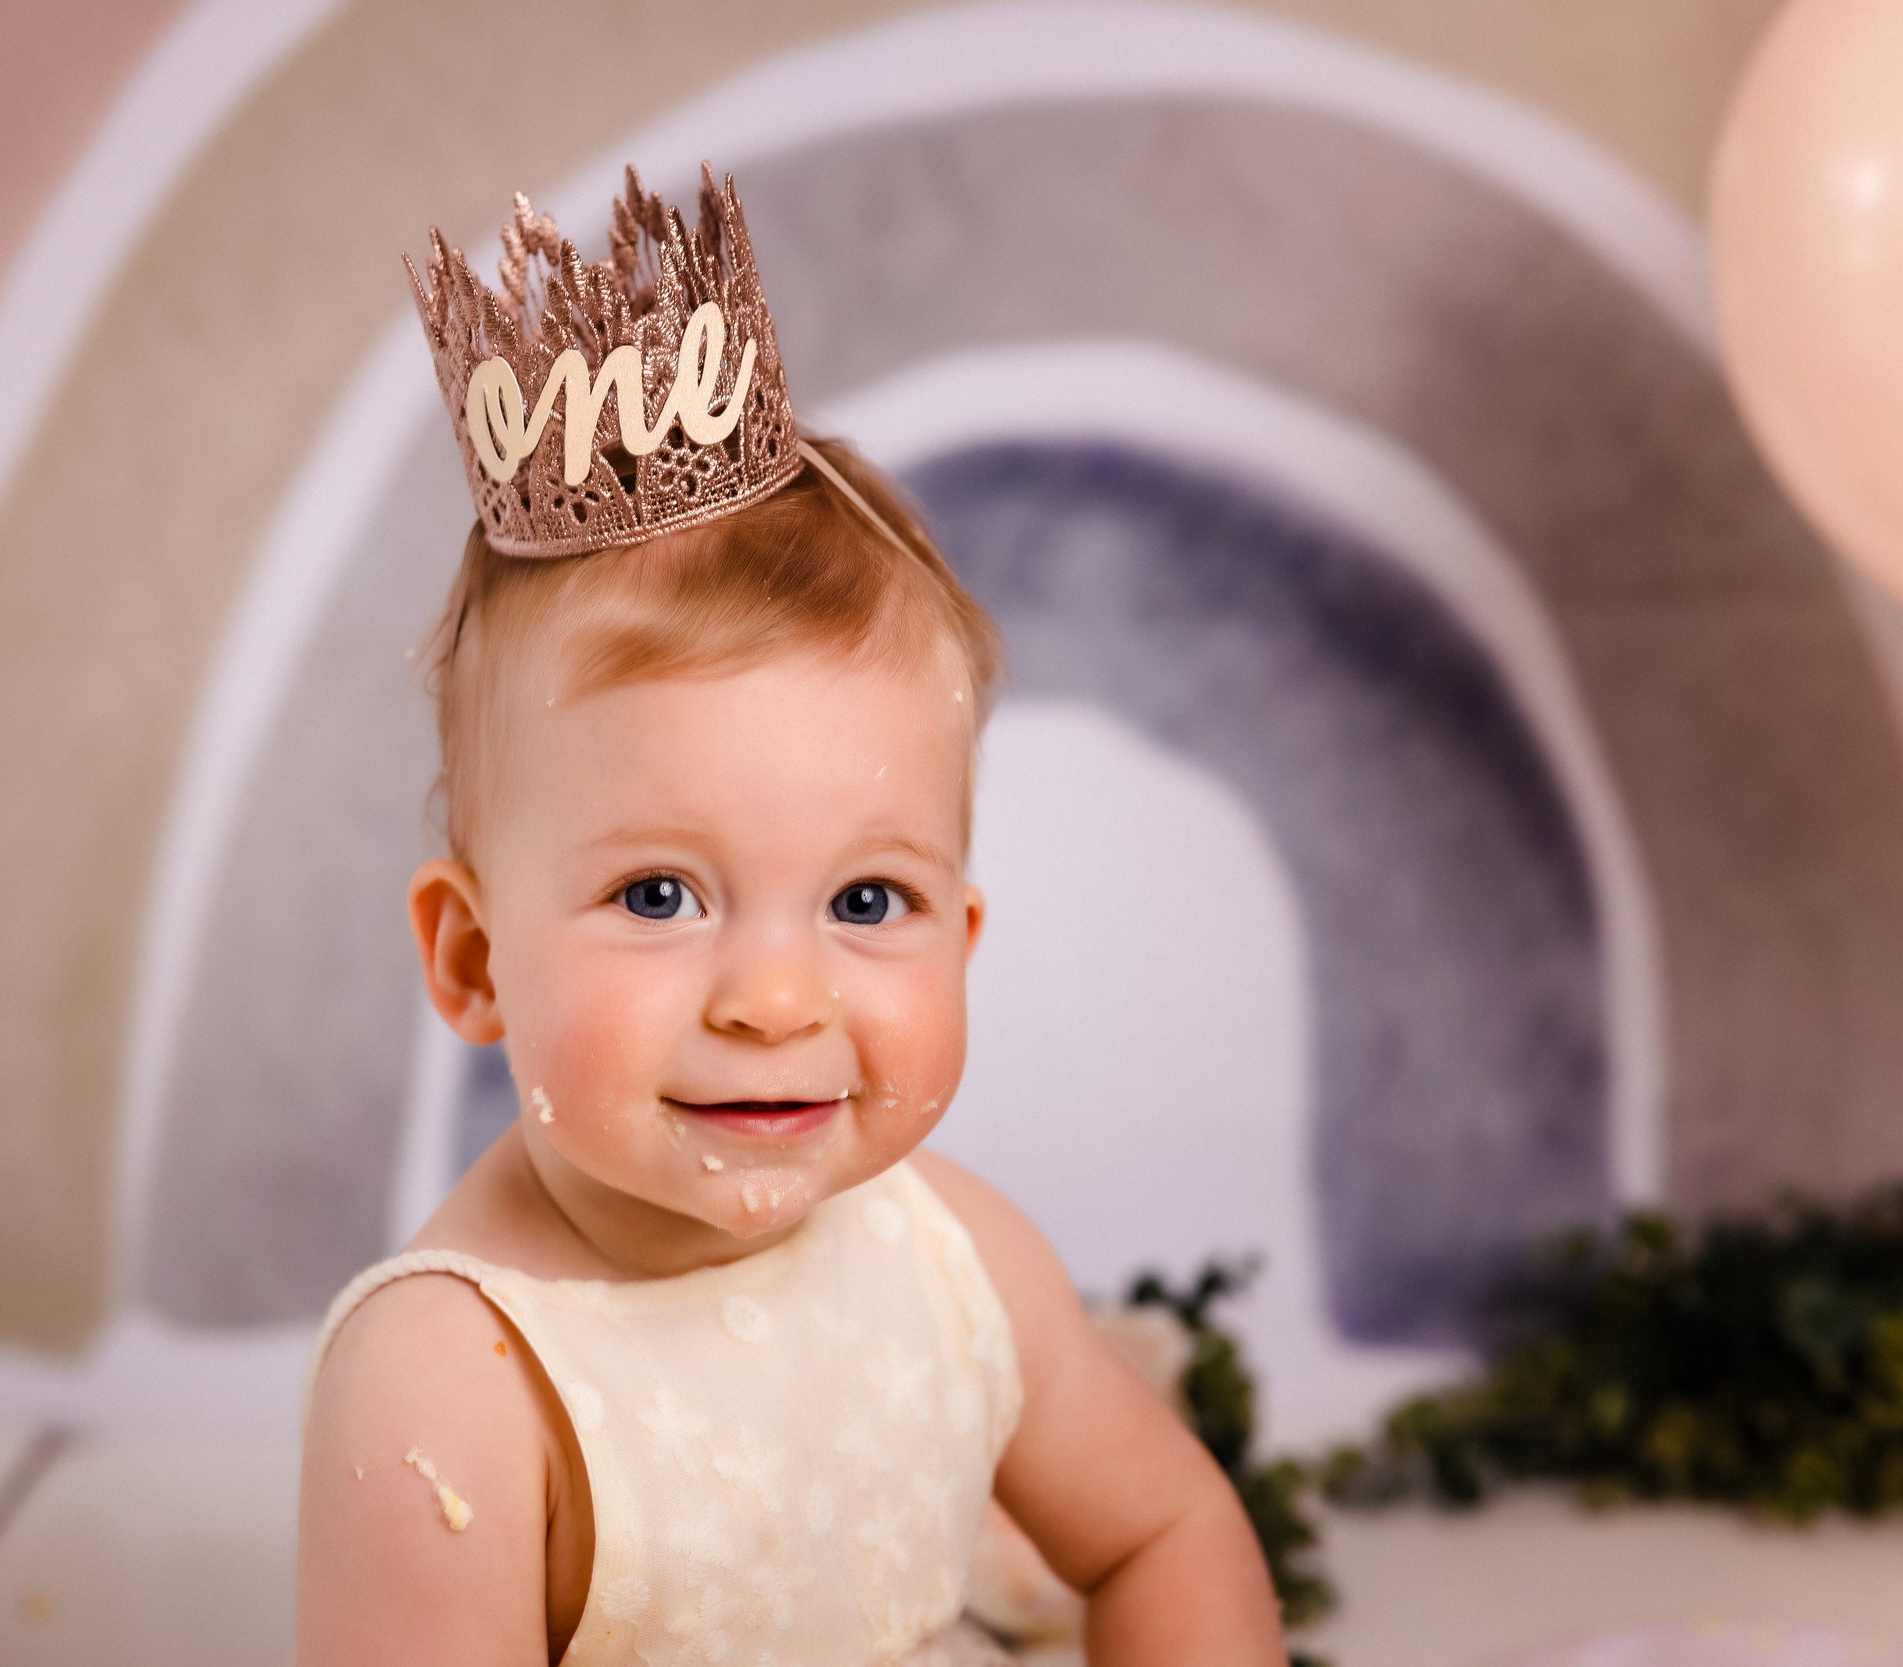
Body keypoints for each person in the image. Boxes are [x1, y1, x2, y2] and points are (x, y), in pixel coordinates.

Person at [295, 165, 1284, 1667]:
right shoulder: (452, 1385)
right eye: (658, 894)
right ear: (475, 957)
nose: (774, 996)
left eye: (866, 899)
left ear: (962, 939)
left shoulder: (960, 1260)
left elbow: (1167, 1532)